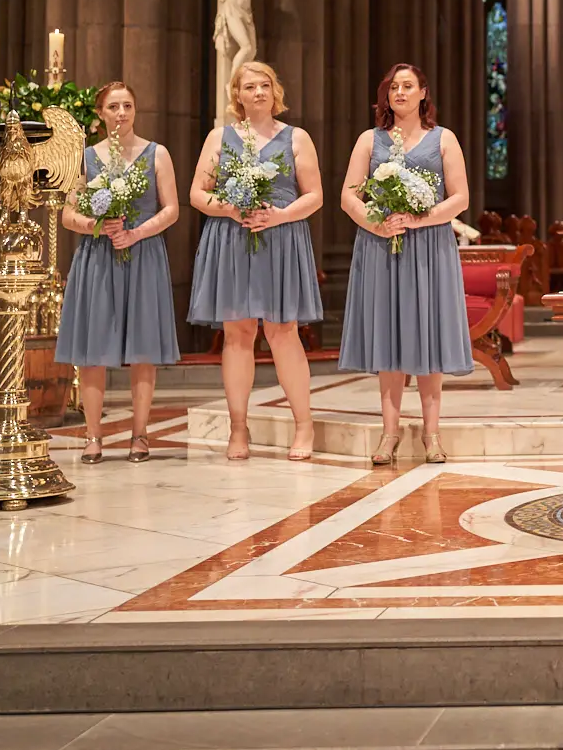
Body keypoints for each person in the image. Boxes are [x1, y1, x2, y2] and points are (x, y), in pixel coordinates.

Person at [338, 63, 474, 466]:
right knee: (389, 339)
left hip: (429, 247)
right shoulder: (370, 139)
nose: (400, 92)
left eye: (408, 86)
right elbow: (348, 196)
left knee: (427, 339)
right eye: (393, 87)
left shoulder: (443, 139)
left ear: (422, 93)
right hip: (381, 246)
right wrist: (376, 224)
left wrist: (421, 218)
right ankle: (389, 434)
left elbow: (461, 197)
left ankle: (432, 435)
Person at [188, 61, 324, 461]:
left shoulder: (296, 137)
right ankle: (238, 429)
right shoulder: (220, 137)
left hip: (281, 238)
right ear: (238, 95)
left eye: (265, 85)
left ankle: (304, 426)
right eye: (250, 87)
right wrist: (229, 209)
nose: (259, 92)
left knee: (284, 333)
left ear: (275, 91)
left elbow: (313, 195)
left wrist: (280, 215)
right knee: (238, 334)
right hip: (233, 239)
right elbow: (197, 192)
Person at [56, 81, 182, 463]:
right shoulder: (84, 158)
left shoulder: (157, 154)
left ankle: (139, 436)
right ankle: (93, 436)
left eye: (128, 105)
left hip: (143, 255)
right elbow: (67, 215)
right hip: (98, 257)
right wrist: (98, 224)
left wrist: (136, 233)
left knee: (142, 349)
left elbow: (171, 209)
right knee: (94, 350)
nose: (122, 113)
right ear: (101, 113)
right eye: (114, 106)